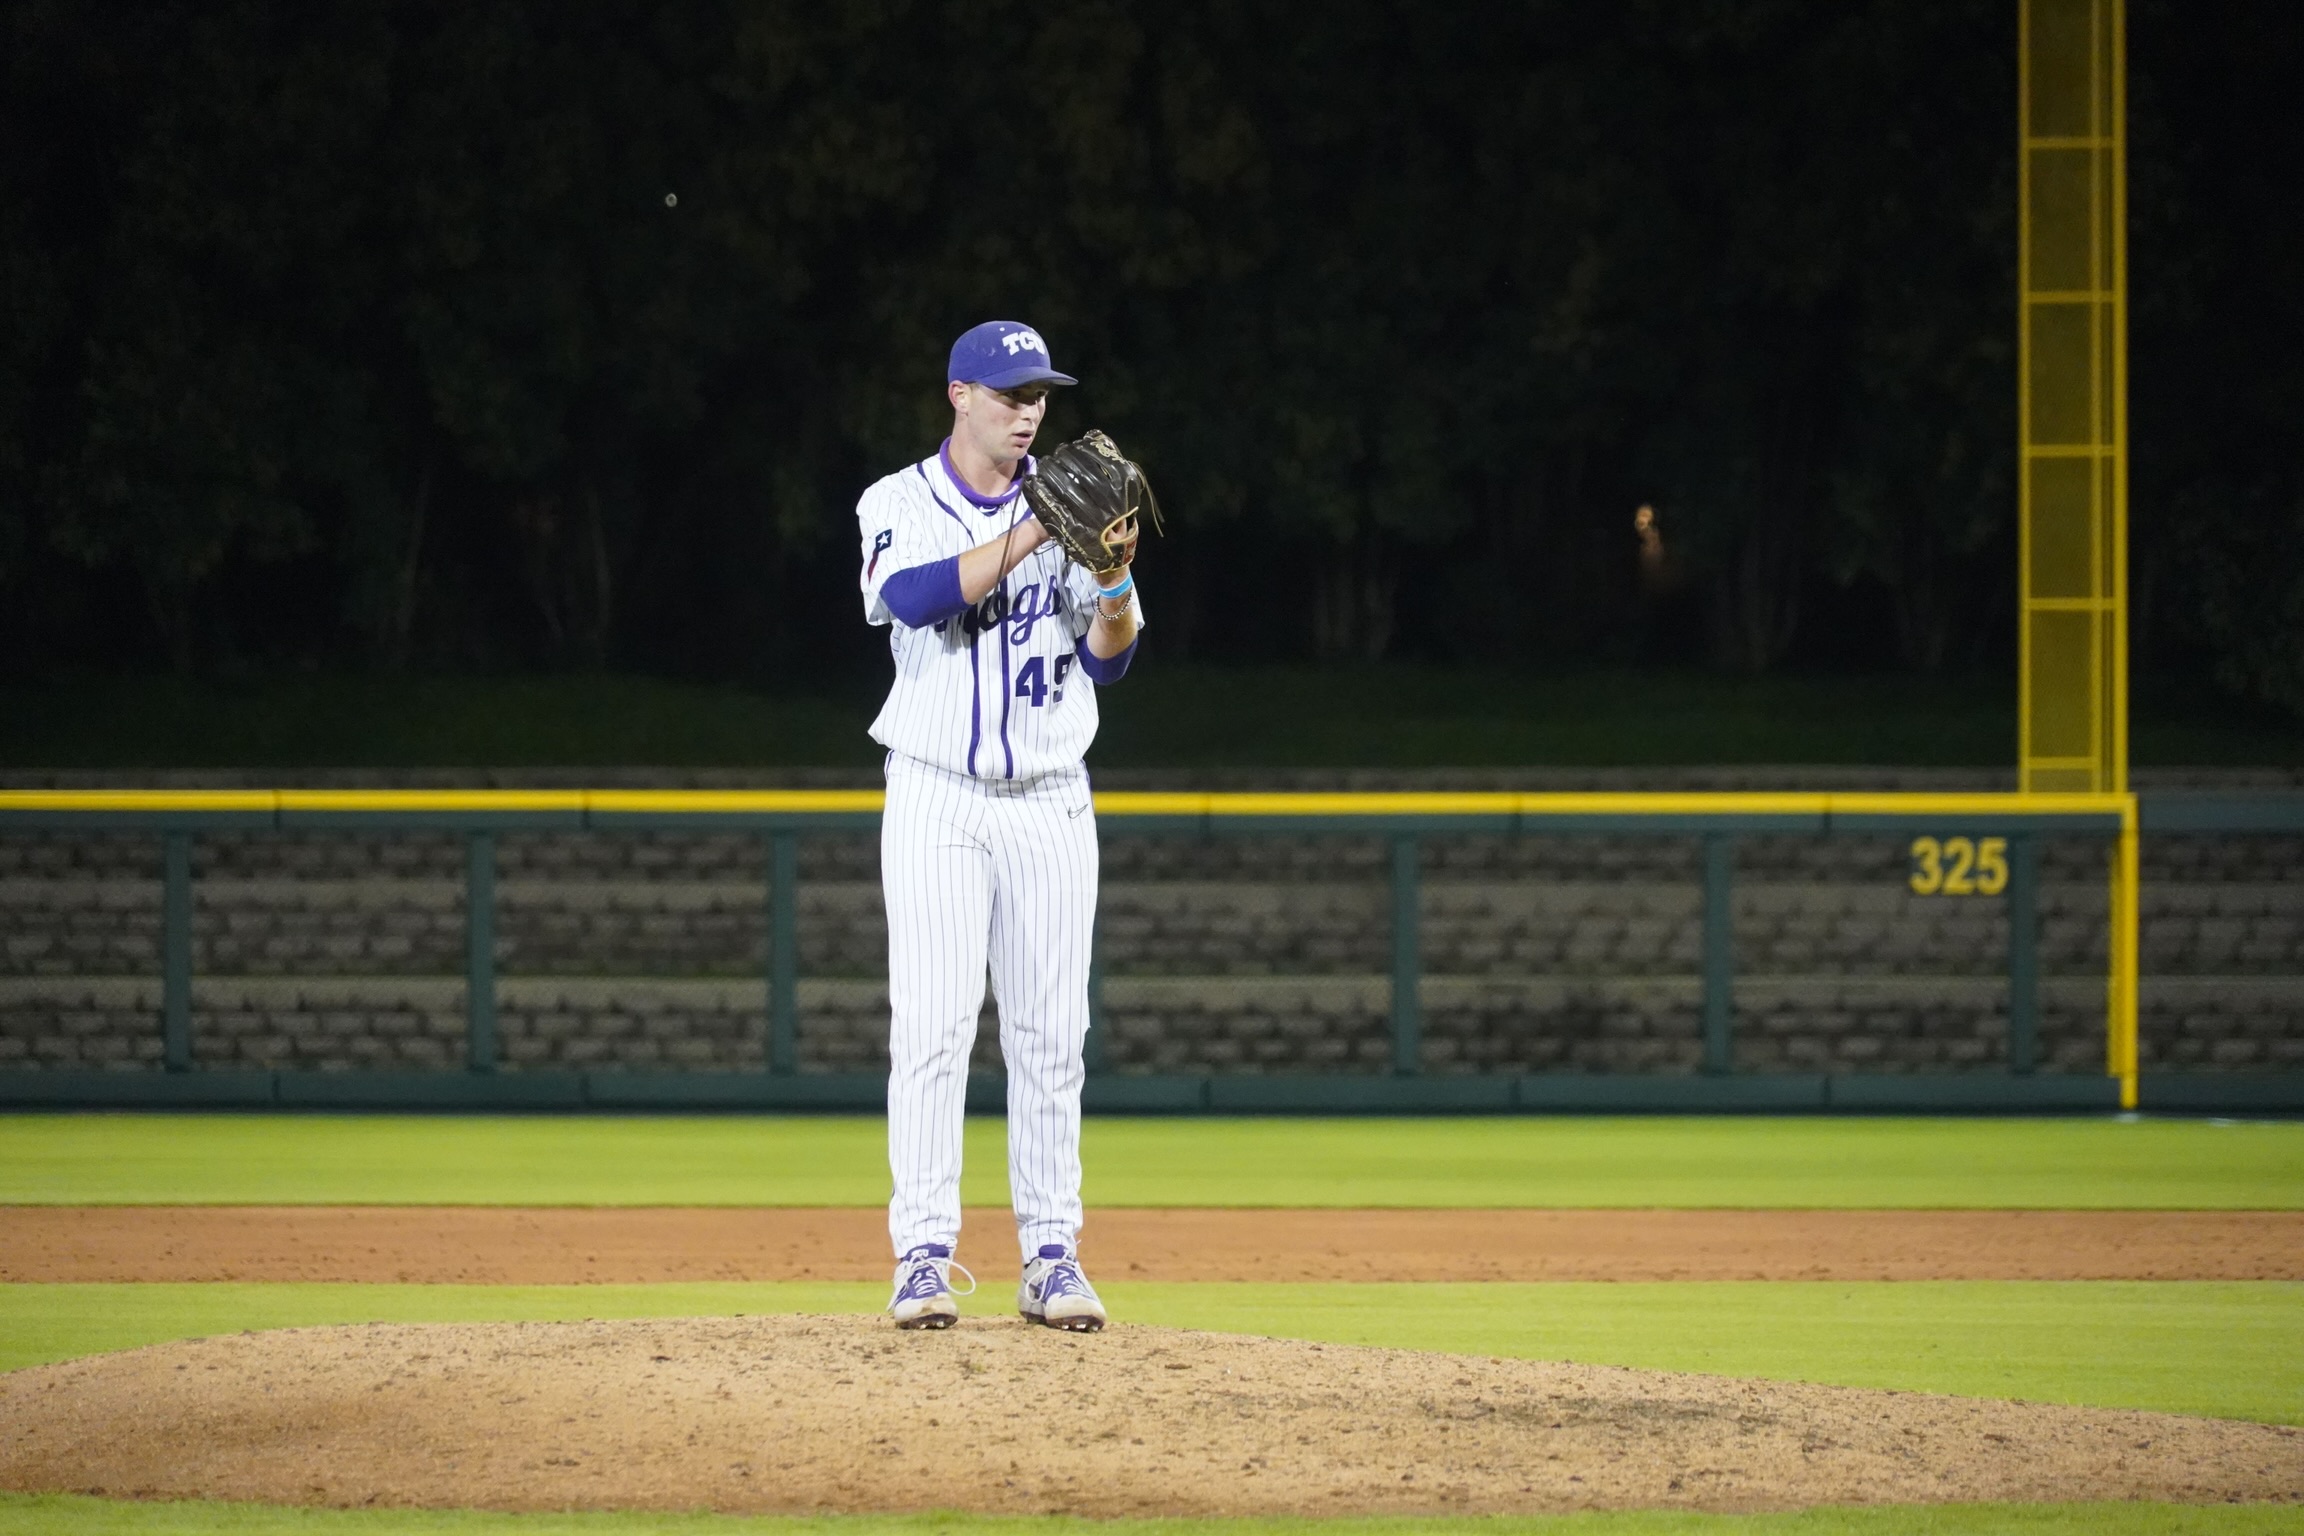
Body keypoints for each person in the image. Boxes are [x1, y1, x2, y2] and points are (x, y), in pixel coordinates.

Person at [853, 320, 1144, 1331]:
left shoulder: (1077, 505)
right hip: (938, 796)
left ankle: (1052, 1255)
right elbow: (916, 596)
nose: (1028, 415)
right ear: (958, 396)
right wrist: (1034, 527)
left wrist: (1109, 579)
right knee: (932, 1030)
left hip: (1051, 798)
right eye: (1010, 395)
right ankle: (923, 1256)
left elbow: (1111, 657)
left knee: (1051, 1036)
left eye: (1040, 398)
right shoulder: (898, 501)